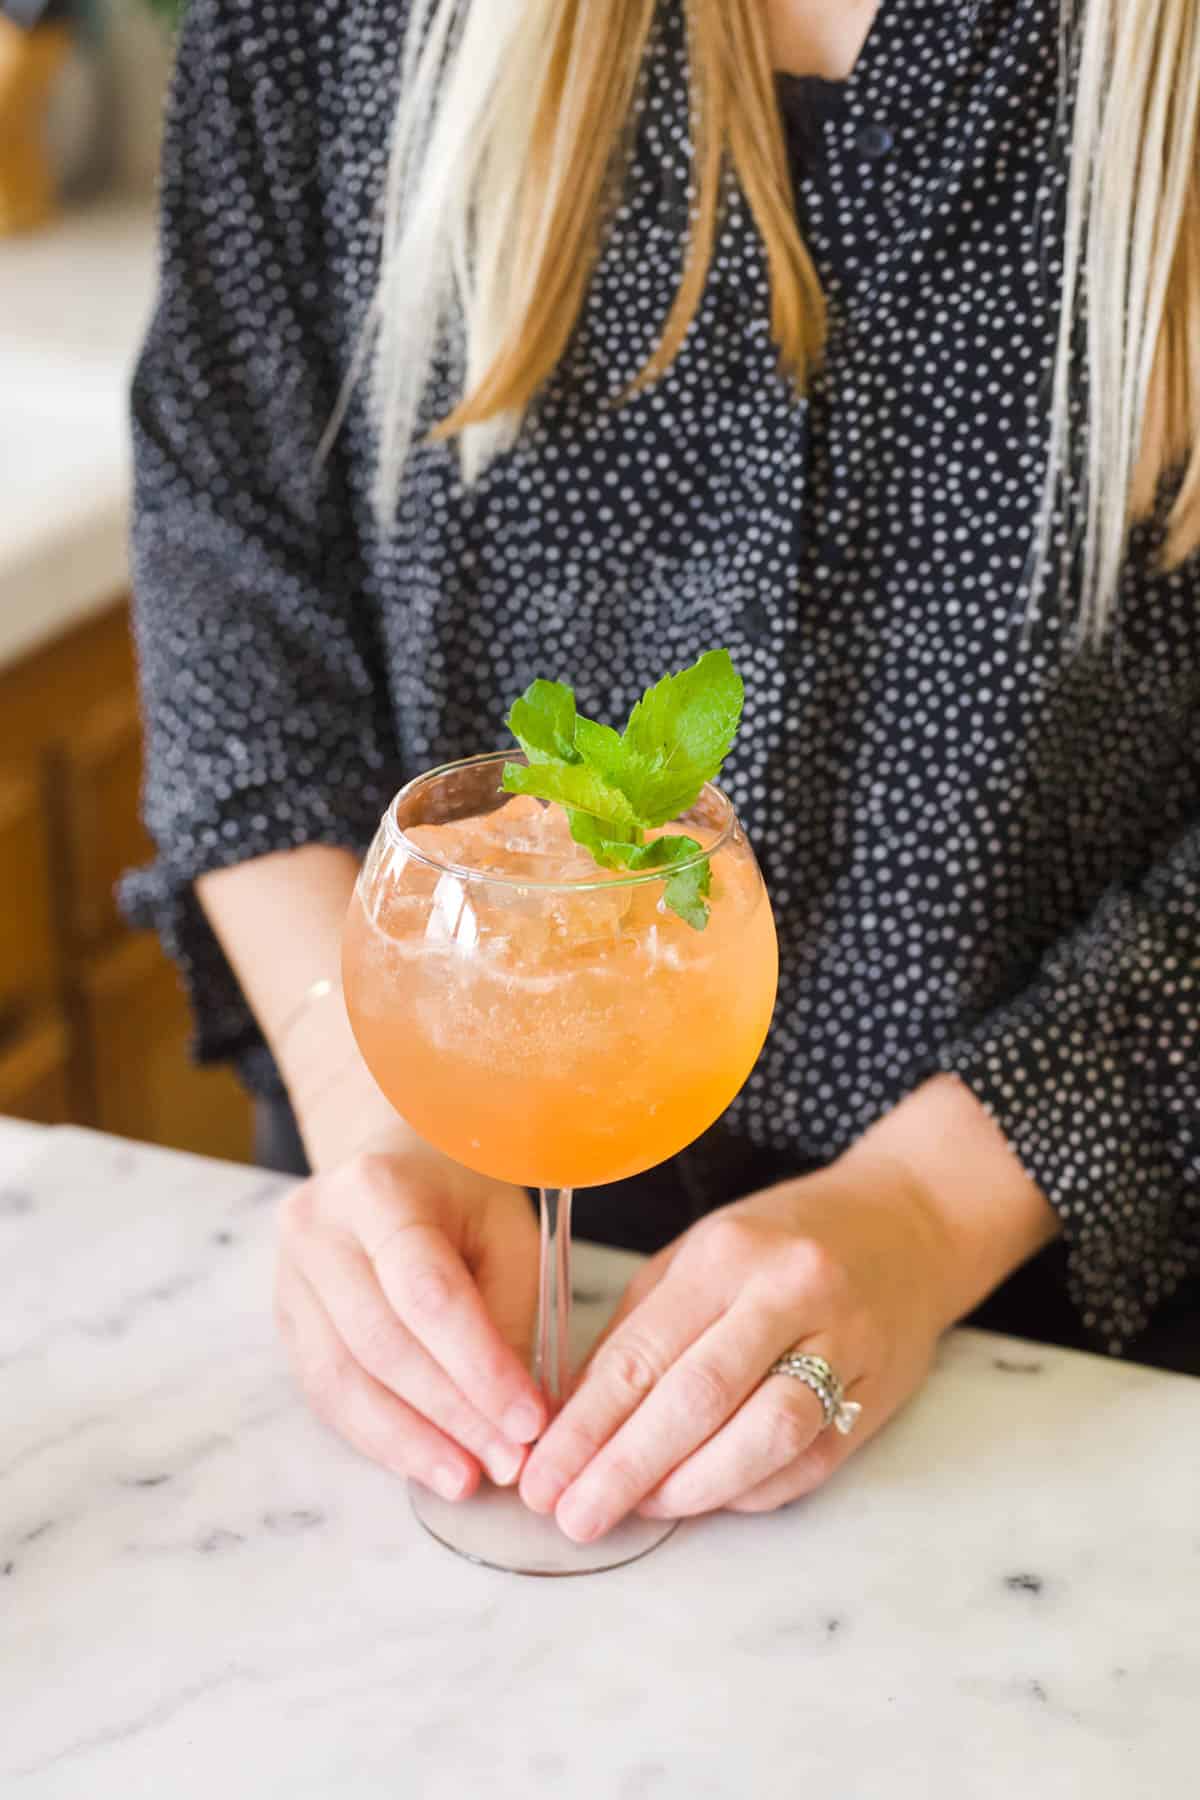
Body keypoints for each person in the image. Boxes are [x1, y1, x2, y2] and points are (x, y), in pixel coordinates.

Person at [125, 0, 1199, 1545]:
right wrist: (377, 1110)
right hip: (438, 1260)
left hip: (1072, 1319)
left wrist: (926, 1208)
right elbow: (228, 541)